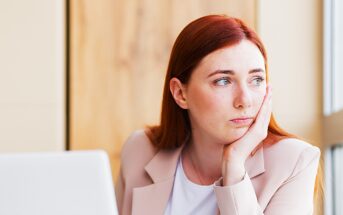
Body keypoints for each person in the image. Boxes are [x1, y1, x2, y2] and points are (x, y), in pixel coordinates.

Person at [115, 15, 321, 215]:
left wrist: (234, 166)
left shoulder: (293, 161)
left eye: (256, 79)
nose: (245, 100)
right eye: (223, 81)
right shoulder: (140, 149)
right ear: (180, 93)